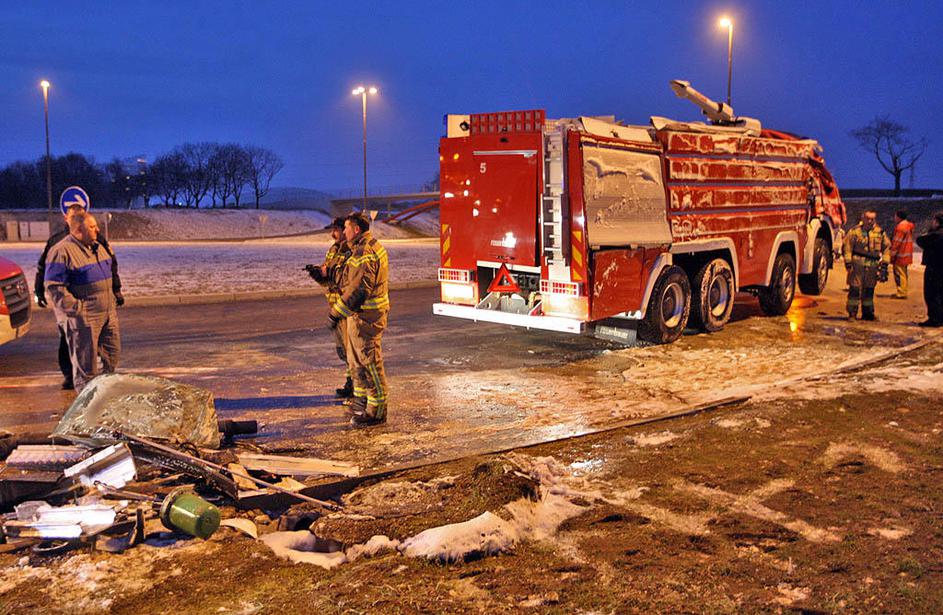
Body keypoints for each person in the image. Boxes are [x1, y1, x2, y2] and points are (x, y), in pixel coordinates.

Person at [35, 204, 123, 389]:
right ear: (79, 229)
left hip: (107, 314)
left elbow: (111, 270)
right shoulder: (61, 251)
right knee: (86, 369)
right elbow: (54, 287)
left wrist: (114, 296)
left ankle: (104, 399)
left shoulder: (99, 246)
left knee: (111, 358)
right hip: (85, 318)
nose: (97, 229)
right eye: (92, 227)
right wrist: (78, 310)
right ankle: (87, 410)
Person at [329, 213, 389, 426]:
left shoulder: (364, 251)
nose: (343, 231)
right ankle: (364, 403)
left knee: (369, 362)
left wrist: (337, 312)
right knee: (357, 362)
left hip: (367, 317)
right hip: (358, 316)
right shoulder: (359, 248)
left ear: (355, 230)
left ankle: (377, 410)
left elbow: (359, 289)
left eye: (346, 227)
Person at [305, 217, 353, 396]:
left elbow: (347, 279)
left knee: (351, 349)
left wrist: (328, 274)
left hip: (346, 307)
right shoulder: (333, 250)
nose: (333, 234)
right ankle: (351, 382)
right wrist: (318, 275)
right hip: (336, 307)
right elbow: (329, 277)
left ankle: (356, 385)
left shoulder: (350, 251)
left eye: (336, 230)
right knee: (343, 349)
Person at [842, 210, 890, 321]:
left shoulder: (880, 233)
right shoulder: (854, 232)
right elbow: (847, 248)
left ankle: (868, 314)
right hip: (857, 267)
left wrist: (884, 265)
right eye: (867, 218)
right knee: (854, 290)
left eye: (872, 219)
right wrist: (848, 263)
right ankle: (852, 313)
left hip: (872, 268)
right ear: (863, 218)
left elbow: (887, 249)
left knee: (869, 291)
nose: (870, 221)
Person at [915, 212, 943, 327]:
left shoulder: (936, 235)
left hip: (934, 267)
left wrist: (931, 230)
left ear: (937, 222)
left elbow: (920, 240)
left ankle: (934, 319)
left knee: (931, 293)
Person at [889, 210, 915, 299]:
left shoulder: (901, 228)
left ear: (898, 217)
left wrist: (892, 253)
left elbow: (897, 242)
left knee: (899, 274)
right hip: (906, 253)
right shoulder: (908, 226)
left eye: (895, 216)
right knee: (903, 273)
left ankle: (901, 292)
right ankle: (903, 290)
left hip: (900, 254)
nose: (894, 218)